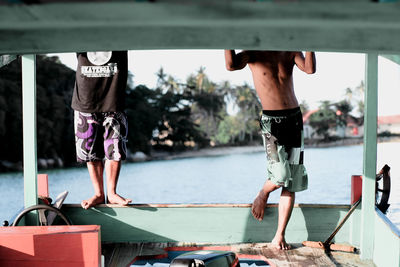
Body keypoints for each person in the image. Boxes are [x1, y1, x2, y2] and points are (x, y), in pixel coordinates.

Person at [224, 50, 316, 250]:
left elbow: (309, 69)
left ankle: (279, 235)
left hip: (294, 118)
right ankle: (263, 194)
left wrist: (311, 44)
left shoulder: (290, 51)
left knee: (291, 181)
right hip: (272, 123)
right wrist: (227, 37)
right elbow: (231, 65)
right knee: (280, 174)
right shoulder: (252, 54)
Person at [71, 51, 132, 209]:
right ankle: (98, 194)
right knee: (89, 151)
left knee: (115, 148)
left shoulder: (119, 37)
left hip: (113, 100)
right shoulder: (81, 35)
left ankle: (111, 193)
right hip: (85, 100)